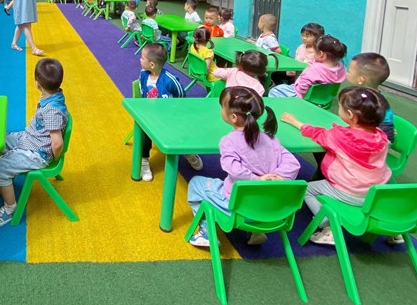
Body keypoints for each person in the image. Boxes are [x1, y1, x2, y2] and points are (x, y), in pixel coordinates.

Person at [187, 87, 300, 247]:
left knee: (195, 184)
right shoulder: (271, 139)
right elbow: (293, 164)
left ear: (233, 117)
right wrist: (278, 176)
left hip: (238, 208)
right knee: (244, 189)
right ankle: (256, 231)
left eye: (222, 107)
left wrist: (256, 179)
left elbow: (233, 169)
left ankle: (205, 232)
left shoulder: (229, 141)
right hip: (269, 209)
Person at [281, 87, 390, 246]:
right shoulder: (381, 137)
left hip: (348, 190)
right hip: (375, 193)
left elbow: (317, 133)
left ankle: (327, 222)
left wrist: (295, 121)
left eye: (340, 106)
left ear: (350, 115)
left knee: (305, 189)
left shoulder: (340, 137)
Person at [0, 58, 67, 226]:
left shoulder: (52, 110)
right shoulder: (52, 96)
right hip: (30, 139)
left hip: (37, 153)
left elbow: (57, 143)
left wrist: (54, 158)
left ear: (37, 84)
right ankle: (1, 182)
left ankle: (10, 207)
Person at [137, 43, 196, 181]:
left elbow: (181, 96)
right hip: (150, 116)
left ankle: (187, 151)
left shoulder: (170, 80)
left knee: (182, 128)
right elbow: (141, 94)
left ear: (152, 65)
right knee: (144, 130)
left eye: (142, 58)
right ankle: (144, 160)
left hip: (169, 117)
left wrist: (174, 112)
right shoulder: (143, 75)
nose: (140, 60)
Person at [269, 35, 347, 98]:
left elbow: (302, 87)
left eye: (315, 52)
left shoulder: (313, 69)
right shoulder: (341, 68)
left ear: (321, 54)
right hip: (323, 98)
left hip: (300, 95)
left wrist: (302, 97)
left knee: (275, 90)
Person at [347, 52, 395, 142]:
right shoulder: (376, 95)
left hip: (379, 136)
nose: (347, 73)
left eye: (349, 71)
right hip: (380, 130)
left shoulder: (363, 100)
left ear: (361, 80)